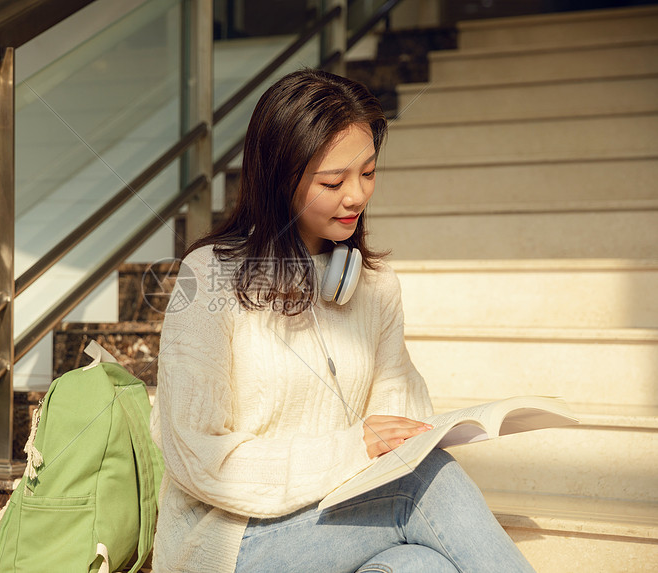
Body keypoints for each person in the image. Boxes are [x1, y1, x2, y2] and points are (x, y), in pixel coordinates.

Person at [150, 69, 534, 572]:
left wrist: (405, 430)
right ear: (279, 179)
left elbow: (395, 420)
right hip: (226, 543)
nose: (356, 195)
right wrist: (351, 447)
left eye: (368, 173)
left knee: (422, 565)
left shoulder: (373, 286)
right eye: (333, 181)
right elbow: (199, 458)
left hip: (335, 524)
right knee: (421, 485)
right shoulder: (210, 278)